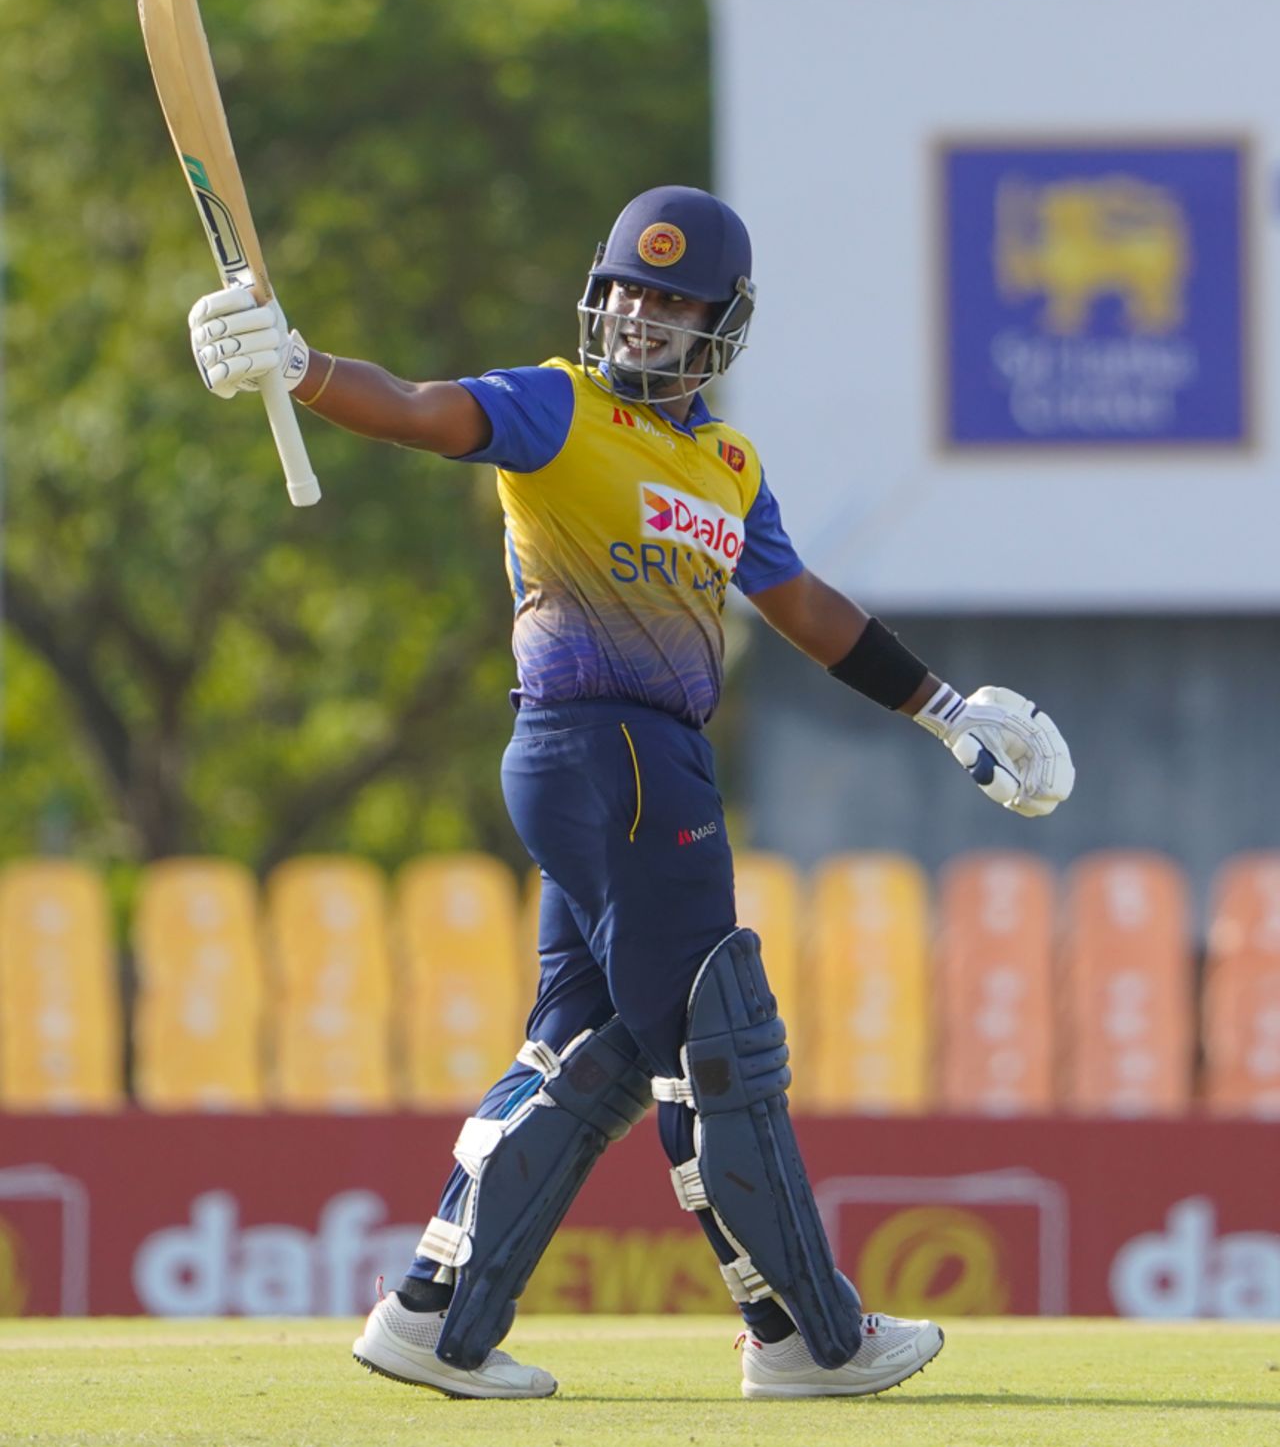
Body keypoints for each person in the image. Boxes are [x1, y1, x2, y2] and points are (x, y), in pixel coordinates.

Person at [189, 185, 1074, 1401]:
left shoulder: (725, 461)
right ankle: (806, 1336)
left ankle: (432, 1313)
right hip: (599, 747)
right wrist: (302, 367)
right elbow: (419, 411)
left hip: (649, 760)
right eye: (628, 290)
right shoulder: (556, 403)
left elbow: (798, 601)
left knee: (586, 1047)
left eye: (673, 298)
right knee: (718, 1040)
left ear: (720, 324)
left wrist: (938, 706)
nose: (642, 314)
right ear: (596, 296)